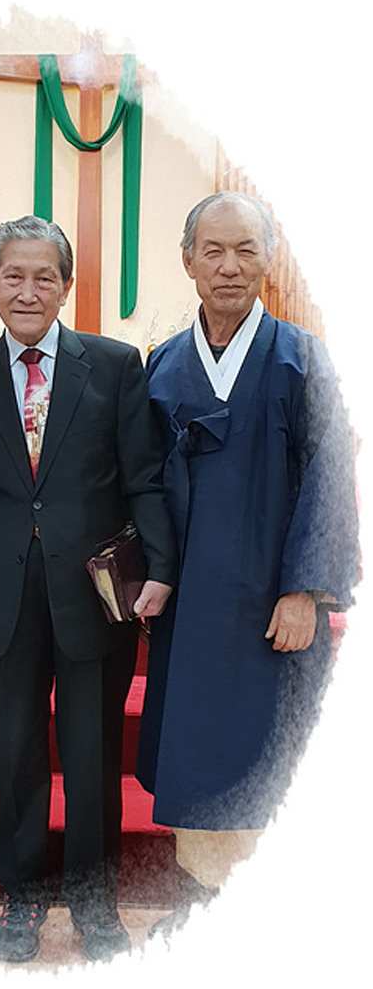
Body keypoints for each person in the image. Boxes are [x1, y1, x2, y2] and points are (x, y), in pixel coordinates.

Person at [0, 215, 177, 963]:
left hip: (94, 597)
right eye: (13, 275)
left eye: (45, 277)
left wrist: (161, 568)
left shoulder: (112, 365)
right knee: (10, 750)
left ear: (66, 286)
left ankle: (95, 901)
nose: (28, 290)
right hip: (2, 598)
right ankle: (23, 896)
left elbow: (143, 476)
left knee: (93, 750)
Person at [136, 191, 359, 936]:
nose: (228, 266)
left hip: (271, 600)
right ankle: (202, 899)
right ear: (188, 261)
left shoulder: (301, 357)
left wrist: (306, 590)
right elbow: (142, 484)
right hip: (191, 600)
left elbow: (330, 473)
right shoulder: (165, 363)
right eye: (213, 250)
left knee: (270, 750)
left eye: (245, 250)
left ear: (268, 258)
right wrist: (144, 575)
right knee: (196, 748)